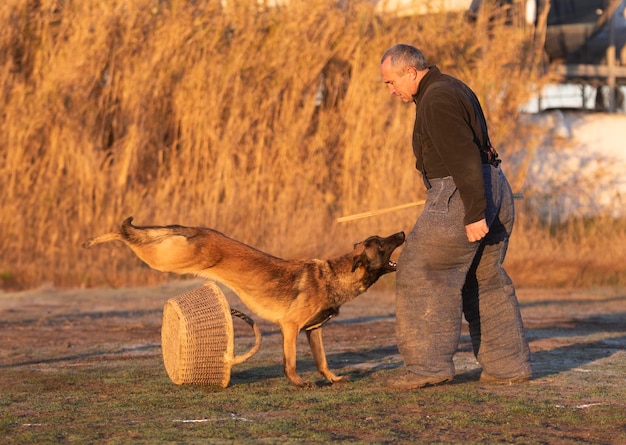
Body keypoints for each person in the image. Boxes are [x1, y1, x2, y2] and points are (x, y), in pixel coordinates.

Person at [379, 43, 531, 389]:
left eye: (391, 82)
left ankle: (426, 367)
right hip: (495, 186)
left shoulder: (436, 100)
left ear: (411, 72)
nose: (391, 90)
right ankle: (508, 366)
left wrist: (475, 211)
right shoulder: (453, 87)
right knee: (485, 278)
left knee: (422, 272)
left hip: (464, 194)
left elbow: (462, 154)